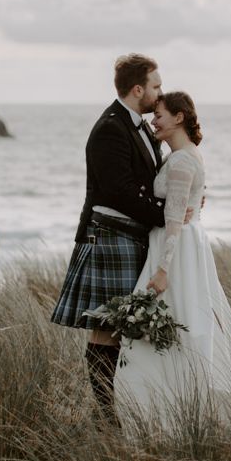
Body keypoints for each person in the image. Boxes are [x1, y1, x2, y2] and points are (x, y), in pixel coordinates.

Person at [50, 54, 192, 422]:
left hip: (130, 237)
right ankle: (105, 414)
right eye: (156, 86)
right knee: (105, 328)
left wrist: (183, 199)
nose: (160, 93)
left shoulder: (141, 127)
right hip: (111, 236)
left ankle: (123, 407)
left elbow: (151, 184)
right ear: (138, 89)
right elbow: (120, 192)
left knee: (118, 328)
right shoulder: (110, 128)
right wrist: (167, 215)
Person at [113, 92, 231, 430]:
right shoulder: (185, 155)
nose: (153, 121)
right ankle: (177, 402)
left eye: (159, 115)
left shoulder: (181, 160)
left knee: (177, 318)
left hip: (175, 249)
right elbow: (182, 205)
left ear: (179, 117)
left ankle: (167, 407)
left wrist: (163, 269)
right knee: (187, 317)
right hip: (185, 243)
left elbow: (174, 217)